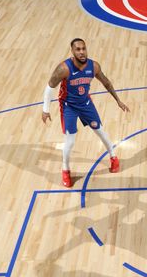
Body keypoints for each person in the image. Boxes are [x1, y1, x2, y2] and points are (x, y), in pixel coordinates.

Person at [42, 38, 129, 187]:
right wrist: (45, 109)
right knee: (70, 141)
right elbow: (50, 87)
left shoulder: (93, 66)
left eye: (83, 48)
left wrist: (118, 100)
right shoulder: (64, 68)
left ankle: (113, 157)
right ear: (72, 51)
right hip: (68, 106)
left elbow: (106, 82)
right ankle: (65, 170)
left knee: (100, 131)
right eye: (78, 49)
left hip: (86, 104)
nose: (82, 52)